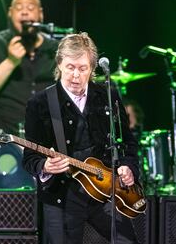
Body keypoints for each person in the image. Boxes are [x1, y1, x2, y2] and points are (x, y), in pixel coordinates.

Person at [22, 32, 140, 244]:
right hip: (62, 195)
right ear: (59, 64)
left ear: (92, 69)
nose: (76, 75)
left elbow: (128, 144)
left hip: (104, 191)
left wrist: (129, 167)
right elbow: (29, 158)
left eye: (83, 68)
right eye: (70, 67)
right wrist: (45, 166)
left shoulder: (107, 97)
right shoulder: (40, 103)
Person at [0, 0, 59, 134]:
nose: (24, 12)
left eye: (30, 8)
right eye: (18, 8)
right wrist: (11, 61)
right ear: (10, 13)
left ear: (40, 14)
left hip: (50, 138)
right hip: (5, 139)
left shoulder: (56, 48)